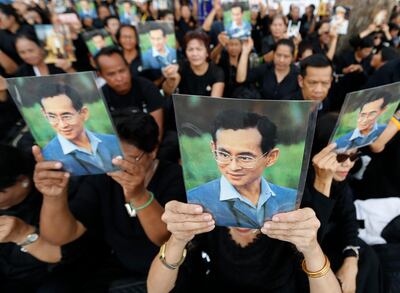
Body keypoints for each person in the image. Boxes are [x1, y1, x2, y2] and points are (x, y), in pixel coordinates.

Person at [146, 145, 344, 292]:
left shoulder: (287, 220)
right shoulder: (206, 216)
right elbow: (156, 290)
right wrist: (177, 239)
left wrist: (311, 248)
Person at [34, 111, 186, 291]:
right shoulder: (102, 176)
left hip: (169, 275)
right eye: (110, 156)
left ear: (152, 151)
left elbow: (166, 239)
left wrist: (138, 195)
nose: (117, 166)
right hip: (116, 271)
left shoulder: (175, 178)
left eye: (128, 160)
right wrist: (53, 197)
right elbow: (60, 236)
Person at [188, 110, 297, 228]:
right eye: (224, 155)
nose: (233, 167)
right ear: (213, 148)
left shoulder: (291, 200)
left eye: (245, 157)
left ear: (271, 157)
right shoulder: (194, 201)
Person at [39, 82, 122, 176]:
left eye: (67, 116)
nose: (62, 125)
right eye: (52, 117)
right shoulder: (49, 156)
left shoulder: (113, 141)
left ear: (84, 113)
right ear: (44, 114)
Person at [95, 46, 164, 139]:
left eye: (122, 71)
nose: (119, 78)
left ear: (128, 67)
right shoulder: (101, 98)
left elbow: (157, 133)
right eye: (111, 74)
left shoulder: (147, 87)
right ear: (101, 75)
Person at [162, 31, 225, 97]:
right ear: (186, 52)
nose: (194, 54)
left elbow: (215, 102)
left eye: (199, 49)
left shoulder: (216, 72)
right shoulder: (181, 67)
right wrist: (171, 79)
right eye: (190, 49)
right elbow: (167, 92)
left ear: (207, 52)